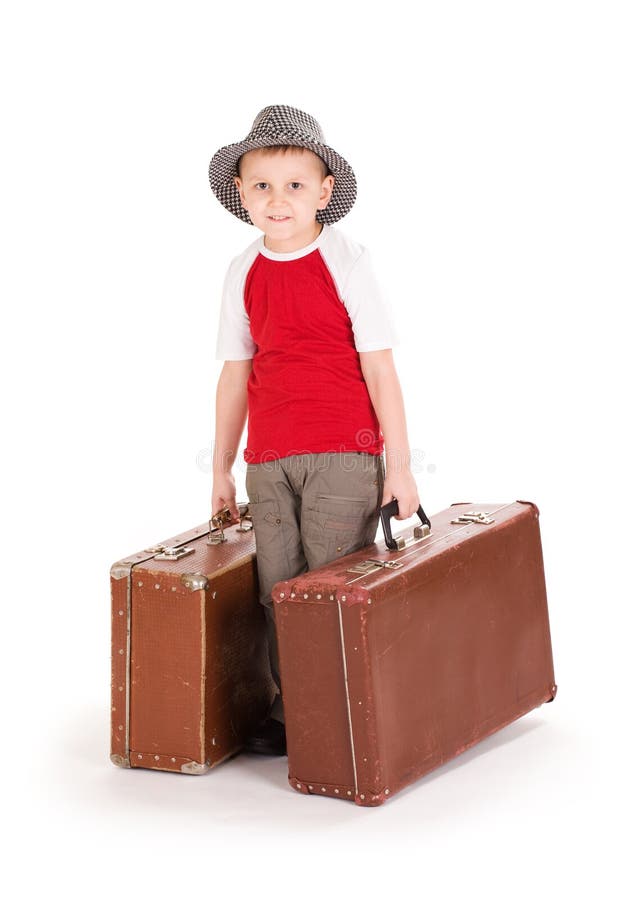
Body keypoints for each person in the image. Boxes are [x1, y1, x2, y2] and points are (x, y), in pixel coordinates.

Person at [208, 105, 420, 754]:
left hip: (342, 452)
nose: (278, 200)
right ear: (240, 194)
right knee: (278, 589)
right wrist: (220, 468)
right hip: (269, 458)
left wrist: (400, 466)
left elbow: (379, 368)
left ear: (323, 192)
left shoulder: (346, 261)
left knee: (330, 586)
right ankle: (289, 711)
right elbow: (234, 374)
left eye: (295, 185)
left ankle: (343, 713)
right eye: (262, 186)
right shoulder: (242, 271)